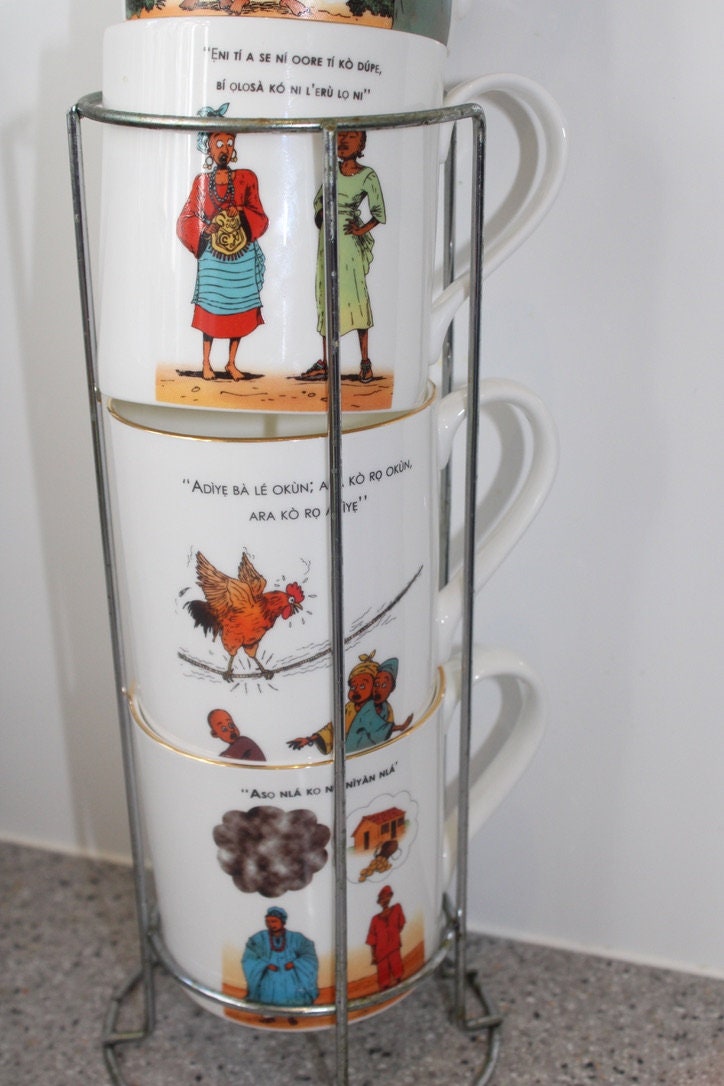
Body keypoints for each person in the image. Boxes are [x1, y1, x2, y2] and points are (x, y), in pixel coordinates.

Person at [177, 104, 269, 381]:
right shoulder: (201, 181)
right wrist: (206, 228)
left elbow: (258, 213)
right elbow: (188, 216)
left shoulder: (246, 178)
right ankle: (206, 362)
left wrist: (239, 212)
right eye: (219, 143)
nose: (225, 149)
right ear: (208, 146)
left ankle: (231, 362)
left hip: (241, 255)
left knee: (239, 307)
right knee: (211, 308)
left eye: (229, 143)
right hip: (213, 256)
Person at [302, 130, 385, 385]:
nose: (344, 141)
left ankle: (365, 362)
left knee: (356, 296)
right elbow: (319, 201)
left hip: (349, 242)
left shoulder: (367, 175)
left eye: (351, 137)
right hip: (327, 239)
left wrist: (360, 229)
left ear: (361, 143)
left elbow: (379, 212)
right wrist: (321, 215)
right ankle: (327, 362)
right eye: (341, 136)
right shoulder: (330, 171)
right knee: (326, 294)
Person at [242, 907, 319, 1022]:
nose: (270, 925)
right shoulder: (260, 938)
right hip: (270, 975)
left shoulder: (296, 938)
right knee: (267, 993)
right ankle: (268, 1016)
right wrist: (265, 964)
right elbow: (250, 956)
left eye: (274, 921)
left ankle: (291, 1014)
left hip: (289, 974)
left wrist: (295, 963)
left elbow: (308, 953)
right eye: (268, 921)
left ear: (282, 921)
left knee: (291, 993)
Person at [366, 885, 406, 989]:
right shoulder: (375, 920)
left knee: (397, 971)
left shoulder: (397, 909)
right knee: (384, 978)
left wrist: (393, 936)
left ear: (390, 896)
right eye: (381, 899)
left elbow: (401, 924)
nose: (384, 900)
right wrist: (373, 956)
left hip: (393, 948)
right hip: (381, 953)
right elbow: (372, 940)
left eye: (386, 897)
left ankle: (400, 985)